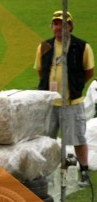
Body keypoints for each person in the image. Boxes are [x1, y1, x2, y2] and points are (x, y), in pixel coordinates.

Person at [34, 10, 94, 187]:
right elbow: (40, 70)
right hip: (50, 103)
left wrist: (75, 86)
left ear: (70, 26)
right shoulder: (44, 46)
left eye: (63, 24)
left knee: (77, 138)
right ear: (52, 26)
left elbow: (89, 71)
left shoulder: (82, 46)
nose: (59, 27)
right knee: (46, 140)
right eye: (56, 23)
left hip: (72, 102)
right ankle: (44, 172)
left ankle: (84, 171)